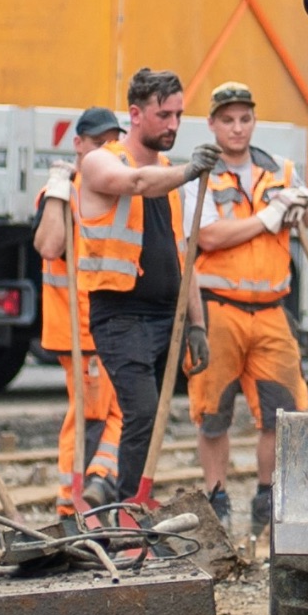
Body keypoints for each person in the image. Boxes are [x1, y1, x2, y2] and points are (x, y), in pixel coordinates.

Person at [76, 69, 219, 504]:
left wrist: (197, 324)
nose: (173, 125)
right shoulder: (102, 160)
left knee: (155, 418)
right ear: (135, 115)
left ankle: (137, 501)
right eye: (163, 115)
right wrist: (190, 172)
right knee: (139, 413)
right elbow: (134, 183)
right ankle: (124, 507)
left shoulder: (172, 179)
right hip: (120, 314)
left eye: (178, 115)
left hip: (164, 318)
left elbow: (185, 253)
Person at [187, 81, 308, 539]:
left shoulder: (279, 169)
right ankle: (217, 499)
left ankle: (267, 498)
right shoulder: (202, 174)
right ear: (213, 124)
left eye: (244, 119)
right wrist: (267, 218)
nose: (237, 128)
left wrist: (300, 206)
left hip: (272, 310)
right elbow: (209, 237)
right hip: (218, 310)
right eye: (227, 120)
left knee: (283, 411)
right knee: (212, 412)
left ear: (253, 121)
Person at [31, 107, 127, 519]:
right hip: (81, 328)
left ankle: (95, 485)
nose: (105, 149)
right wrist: (57, 187)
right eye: (96, 142)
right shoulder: (63, 193)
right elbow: (50, 246)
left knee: (116, 410)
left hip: (106, 325)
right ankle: (76, 499)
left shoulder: (113, 188)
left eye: (111, 141)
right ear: (78, 145)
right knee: (90, 416)